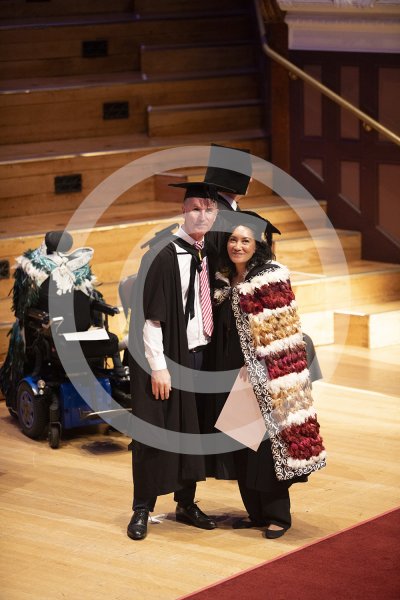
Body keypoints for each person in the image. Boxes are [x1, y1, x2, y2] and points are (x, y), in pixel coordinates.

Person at [210, 211, 326, 539]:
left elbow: (281, 333)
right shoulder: (224, 279)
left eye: (245, 240)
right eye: (233, 239)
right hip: (230, 376)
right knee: (242, 448)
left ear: (257, 244)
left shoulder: (269, 278)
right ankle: (256, 513)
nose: (237, 245)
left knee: (267, 449)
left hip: (263, 378)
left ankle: (278, 515)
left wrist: (261, 371)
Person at [127, 181, 230, 541]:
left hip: (200, 358)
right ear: (183, 212)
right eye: (195, 209)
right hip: (167, 360)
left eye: (209, 209)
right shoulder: (162, 255)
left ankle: (186, 503)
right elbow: (150, 318)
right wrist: (158, 366)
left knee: (193, 433)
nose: (202, 215)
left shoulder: (209, 253)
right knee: (155, 433)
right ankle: (142, 508)